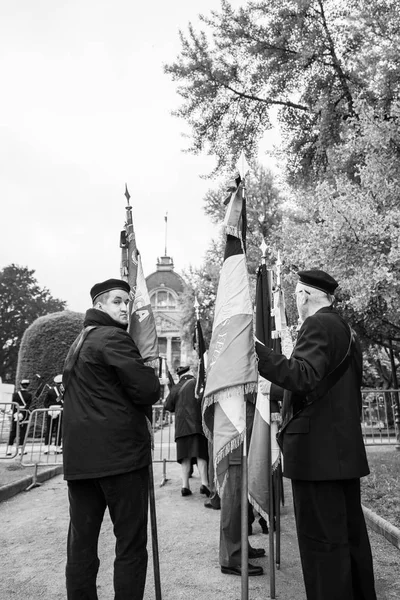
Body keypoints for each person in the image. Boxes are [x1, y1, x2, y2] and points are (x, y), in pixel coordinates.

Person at [256, 269, 377, 600]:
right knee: (348, 539)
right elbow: (324, 387)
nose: (295, 301)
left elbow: (304, 376)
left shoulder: (318, 324)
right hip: (339, 451)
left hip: (317, 454)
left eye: (296, 295)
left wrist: (259, 353)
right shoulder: (344, 329)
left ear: (304, 295)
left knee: (323, 546)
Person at [62, 278, 160, 600]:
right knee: (130, 545)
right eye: (117, 301)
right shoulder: (113, 338)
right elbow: (147, 390)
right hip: (120, 461)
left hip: (81, 465)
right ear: (99, 306)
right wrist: (150, 374)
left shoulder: (78, 344)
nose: (124, 308)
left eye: (126, 302)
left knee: (81, 545)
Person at [219, 398, 265, 577]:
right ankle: (231, 557)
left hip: (243, 424)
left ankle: (240, 546)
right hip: (236, 430)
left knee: (241, 495)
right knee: (234, 495)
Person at [164, 365, 210, 497]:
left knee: (185, 457)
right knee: (201, 455)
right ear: (190, 373)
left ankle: (185, 486)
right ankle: (204, 483)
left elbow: (168, 406)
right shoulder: (198, 383)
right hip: (197, 426)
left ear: (179, 376)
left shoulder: (176, 388)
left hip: (181, 429)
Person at [7, 379, 32, 455]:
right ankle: (21, 450)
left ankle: (9, 449)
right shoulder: (29, 395)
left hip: (16, 414)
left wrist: (15, 414)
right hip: (24, 414)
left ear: (20, 385)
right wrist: (22, 413)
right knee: (23, 432)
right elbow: (27, 406)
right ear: (27, 386)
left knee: (13, 431)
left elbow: (13, 405)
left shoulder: (15, 394)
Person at [44, 374, 63, 453]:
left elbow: (45, 403)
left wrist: (50, 408)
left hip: (51, 411)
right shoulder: (63, 390)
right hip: (60, 410)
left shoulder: (50, 390)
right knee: (59, 429)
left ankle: (46, 448)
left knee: (49, 429)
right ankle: (57, 448)